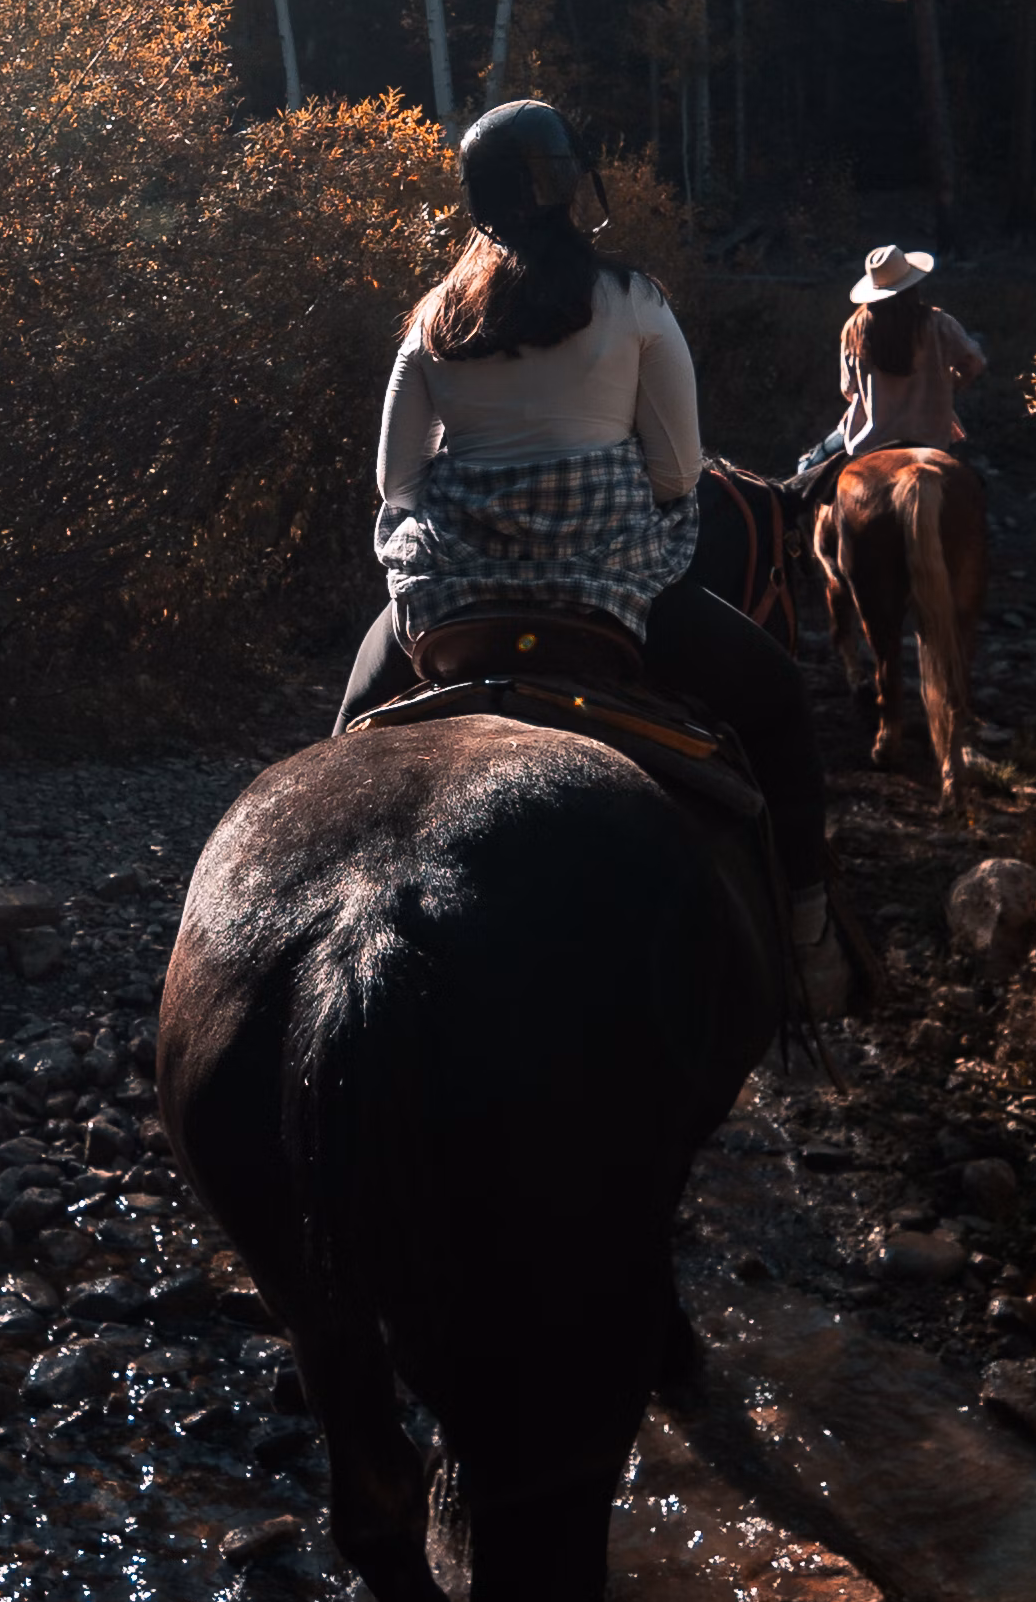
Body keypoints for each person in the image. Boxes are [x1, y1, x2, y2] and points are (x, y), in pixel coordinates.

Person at [334, 98, 843, 1011]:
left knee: (341, 748)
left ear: (478, 196)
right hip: (609, 597)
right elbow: (682, 469)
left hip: (453, 605)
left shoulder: (432, 320)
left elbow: (394, 483)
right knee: (775, 701)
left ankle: (333, 888)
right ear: (571, 183)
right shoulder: (634, 299)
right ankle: (810, 942)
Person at [791, 244, 985, 484]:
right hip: (932, 437)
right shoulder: (939, 323)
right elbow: (973, 362)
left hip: (870, 441)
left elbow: (848, 390)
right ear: (913, 284)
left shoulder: (855, 329)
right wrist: (950, 384)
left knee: (804, 469)